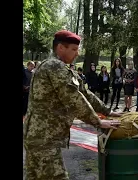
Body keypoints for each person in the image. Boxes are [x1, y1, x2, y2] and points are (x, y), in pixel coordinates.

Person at [23, 30, 121, 180]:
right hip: (44, 139)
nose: (77, 54)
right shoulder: (54, 66)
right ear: (61, 48)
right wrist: (97, 121)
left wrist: (107, 111)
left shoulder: (61, 68)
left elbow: (85, 93)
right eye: (73, 49)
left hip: (41, 138)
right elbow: (73, 99)